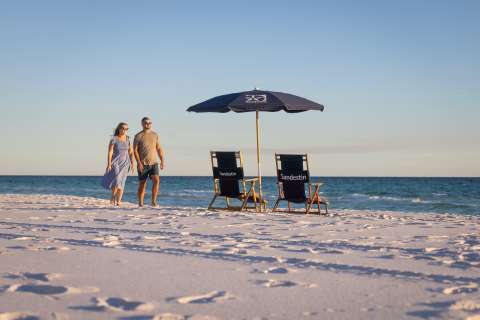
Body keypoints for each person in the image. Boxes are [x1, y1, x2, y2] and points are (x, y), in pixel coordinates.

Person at [133, 117, 165, 207]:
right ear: (142, 124)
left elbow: (159, 148)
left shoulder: (155, 135)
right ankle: (140, 202)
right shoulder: (138, 136)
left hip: (154, 162)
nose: (148, 124)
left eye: (149, 123)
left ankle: (153, 201)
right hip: (143, 163)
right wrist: (138, 162)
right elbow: (135, 150)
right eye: (146, 123)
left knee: (156, 180)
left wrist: (162, 160)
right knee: (142, 184)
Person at [101, 122, 135, 206]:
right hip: (115, 162)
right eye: (123, 128)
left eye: (126, 129)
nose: (124, 130)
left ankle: (119, 201)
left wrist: (132, 163)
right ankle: (113, 196)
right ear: (119, 129)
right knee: (116, 180)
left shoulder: (128, 139)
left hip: (125, 163)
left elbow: (131, 152)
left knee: (122, 183)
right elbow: (110, 152)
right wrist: (109, 164)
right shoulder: (114, 139)